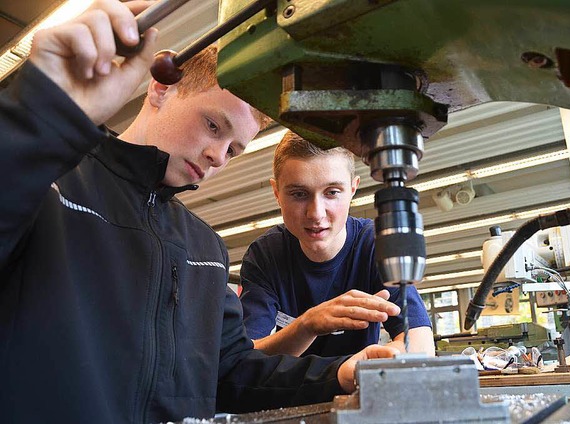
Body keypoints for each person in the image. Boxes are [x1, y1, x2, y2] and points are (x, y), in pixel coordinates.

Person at [0, 1, 398, 422]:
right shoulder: (50, 185)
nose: (217, 156)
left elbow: (232, 373)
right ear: (161, 87)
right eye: (213, 126)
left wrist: (339, 371)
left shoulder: (204, 248)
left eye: (233, 149)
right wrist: (42, 114)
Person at [240, 131, 436, 357]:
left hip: (358, 384)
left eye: (332, 193)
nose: (316, 213)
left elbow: (420, 345)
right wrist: (306, 326)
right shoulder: (265, 255)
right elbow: (248, 357)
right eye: (299, 194)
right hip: (289, 391)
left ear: (352, 189)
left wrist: (363, 366)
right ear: (277, 193)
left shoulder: (374, 244)